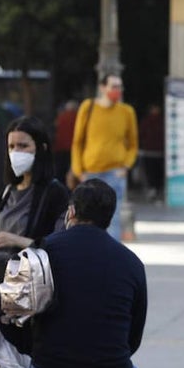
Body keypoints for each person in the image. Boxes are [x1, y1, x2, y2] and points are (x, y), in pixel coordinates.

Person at [0, 179, 149, 368]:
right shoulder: (132, 263)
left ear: (71, 212)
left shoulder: (42, 251)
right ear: (109, 218)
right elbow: (133, 338)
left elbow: (5, 314)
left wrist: (36, 351)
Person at [0, 116, 70, 260]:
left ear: (41, 148)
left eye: (23, 146)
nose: (16, 152)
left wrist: (17, 241)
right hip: (1, 276)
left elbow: (60, 246)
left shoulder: (55, 193)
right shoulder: (8, 191)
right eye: (11, 147)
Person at [69, 75, 138, 242]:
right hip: (90, 172)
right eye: (114, 86)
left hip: (115, 172)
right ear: (102, 88)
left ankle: (111, 250)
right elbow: (77, 141)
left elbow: (133, 144)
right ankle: (90, 247)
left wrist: (126, 166)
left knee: (113, 216)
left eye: (120, 87)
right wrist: (79, 171)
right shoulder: (88, 107)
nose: (117, 91)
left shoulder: (126, 112)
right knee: (87, 215)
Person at [138, 104, 164, 202]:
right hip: (154, 151)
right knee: (156, 173)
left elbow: (141, 134)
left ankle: (153, 190)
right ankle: (155, 190)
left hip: (151, 151)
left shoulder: (148, 121)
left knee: (152, 172)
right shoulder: (160, 121)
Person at [52, 100, 78, 184]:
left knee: (60, 171)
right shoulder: (77, 117)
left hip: (60, 148)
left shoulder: (61, 117)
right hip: (72, 148)